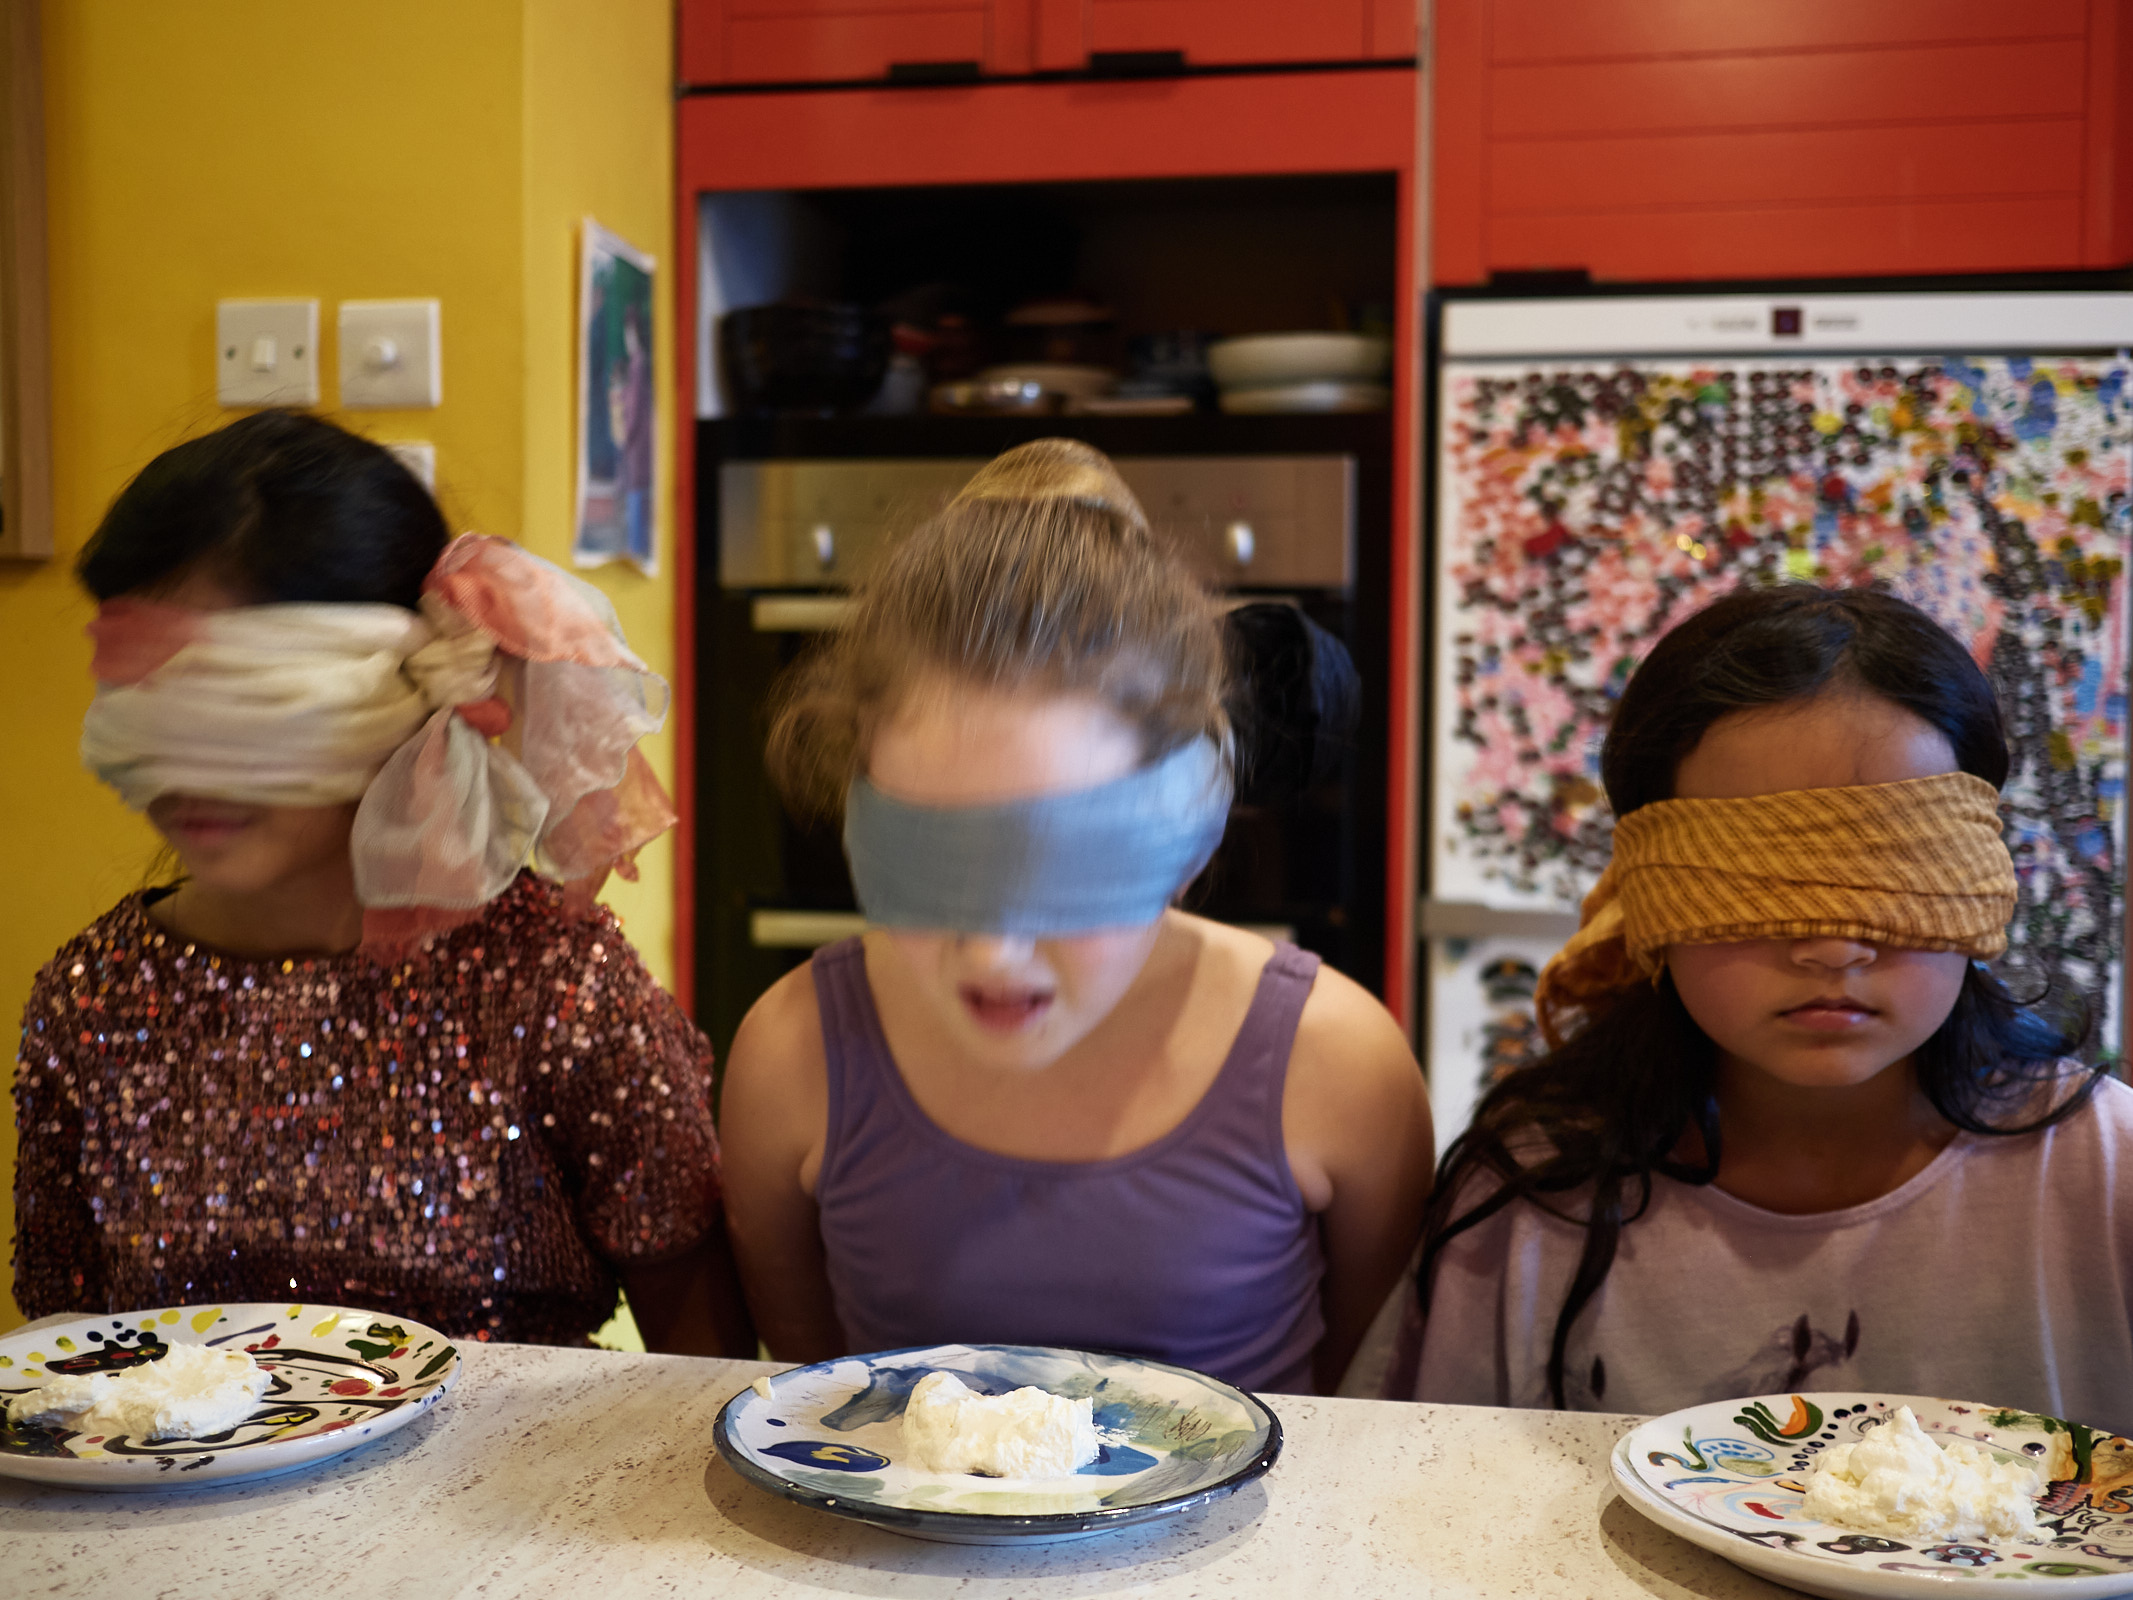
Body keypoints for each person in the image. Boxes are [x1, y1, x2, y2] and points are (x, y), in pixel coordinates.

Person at [13, 409, 752, 1355]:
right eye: (147, 700)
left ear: (410, 683)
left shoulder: (555, 988)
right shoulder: (91, 1003)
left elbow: (700, 1355)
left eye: (251, 704)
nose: (191, 768)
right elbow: (69, 1354)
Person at [719, 439, 1433, 1395]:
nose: (994, 948)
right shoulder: (791, 1060)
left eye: (1069, 869)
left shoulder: (1339, 1067)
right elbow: (807, 1386)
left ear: (1188, 825)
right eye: (931, 866)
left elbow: (1374, 1397)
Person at [1402, 584, 2133, 1433]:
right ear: (1648, 893)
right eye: (1750, 881)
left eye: (1893, 870)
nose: (1831, 946)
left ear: (1978, 876)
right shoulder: (1533, 1192)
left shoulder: (2108, 1180)